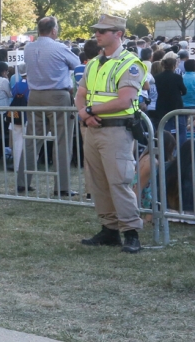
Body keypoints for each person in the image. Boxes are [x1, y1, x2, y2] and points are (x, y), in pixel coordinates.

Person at [75, 14, 148, 253]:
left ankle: (130, 232)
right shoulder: (94, 62)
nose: (97, 34)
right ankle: (109, 229)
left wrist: (89, 111)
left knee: (119, 181)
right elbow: (80, 94)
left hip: (116, 130)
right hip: (93, 129)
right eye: (97, 30)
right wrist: (85, 115)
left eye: (103, 31)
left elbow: (125, 99)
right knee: (97, 183)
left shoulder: (130, 63)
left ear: (119, 34)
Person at [20, 16, 80, 196]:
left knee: (31, 139)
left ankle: (22, 181)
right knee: (63, 141)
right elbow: (77, 65)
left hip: (35, 96)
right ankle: (62, 186)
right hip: (58, 96)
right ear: (54, 30)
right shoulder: (60, 47)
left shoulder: (28, 47)